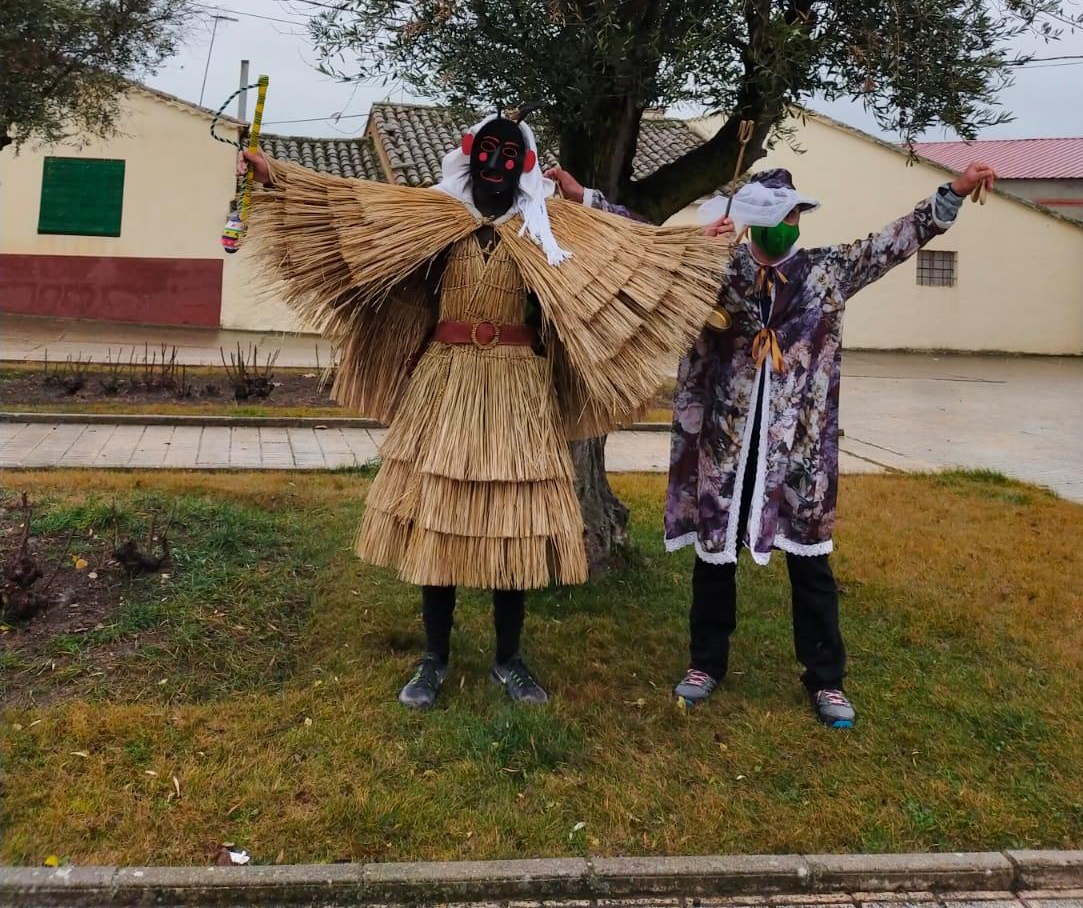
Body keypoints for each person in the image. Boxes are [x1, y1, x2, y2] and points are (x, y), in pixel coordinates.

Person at [241, 111, 727, 710]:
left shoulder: (550, 227)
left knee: (511, 525)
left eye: (508, 154)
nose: (496, 165)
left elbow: (632, 252)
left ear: (521, 164)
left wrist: (692, 247)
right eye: (486, 152)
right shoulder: (432, 220)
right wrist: (274, 177)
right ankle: (433, 658)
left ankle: (508, 659)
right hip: (445, 381)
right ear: (470, 156)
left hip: (517, 387)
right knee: (440, 519)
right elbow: (349, 208)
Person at [548, 157, 996, 727]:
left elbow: (896, 242)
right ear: (755, 223)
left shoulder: (828, 272)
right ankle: (705, 664)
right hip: (727, 440)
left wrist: (952, 193)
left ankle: (826, 680)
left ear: (801, 219)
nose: (784, 226)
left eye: (793, 215)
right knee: (716, 558)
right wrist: (581, 194)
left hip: (798, 451)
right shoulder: (716, 268)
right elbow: (644, 242)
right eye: (774, 217)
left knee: (811, 565)